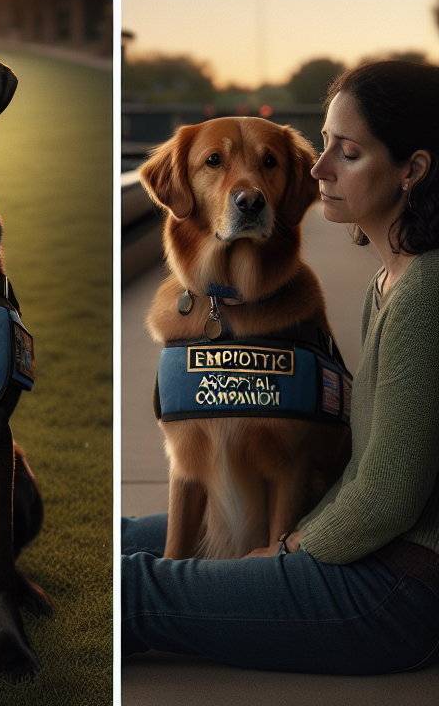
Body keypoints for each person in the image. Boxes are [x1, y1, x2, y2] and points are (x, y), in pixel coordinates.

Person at [122, 59, 439, 675]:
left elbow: (389, 495)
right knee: (129, 537)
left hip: (396, 592)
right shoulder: (392, 279)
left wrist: (287, 547)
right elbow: (362, 464)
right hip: (363, 554)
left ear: (412, 170)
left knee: (136, 588)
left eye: (347, 153)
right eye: (323, 144)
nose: (314, 170)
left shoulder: (425, 292)